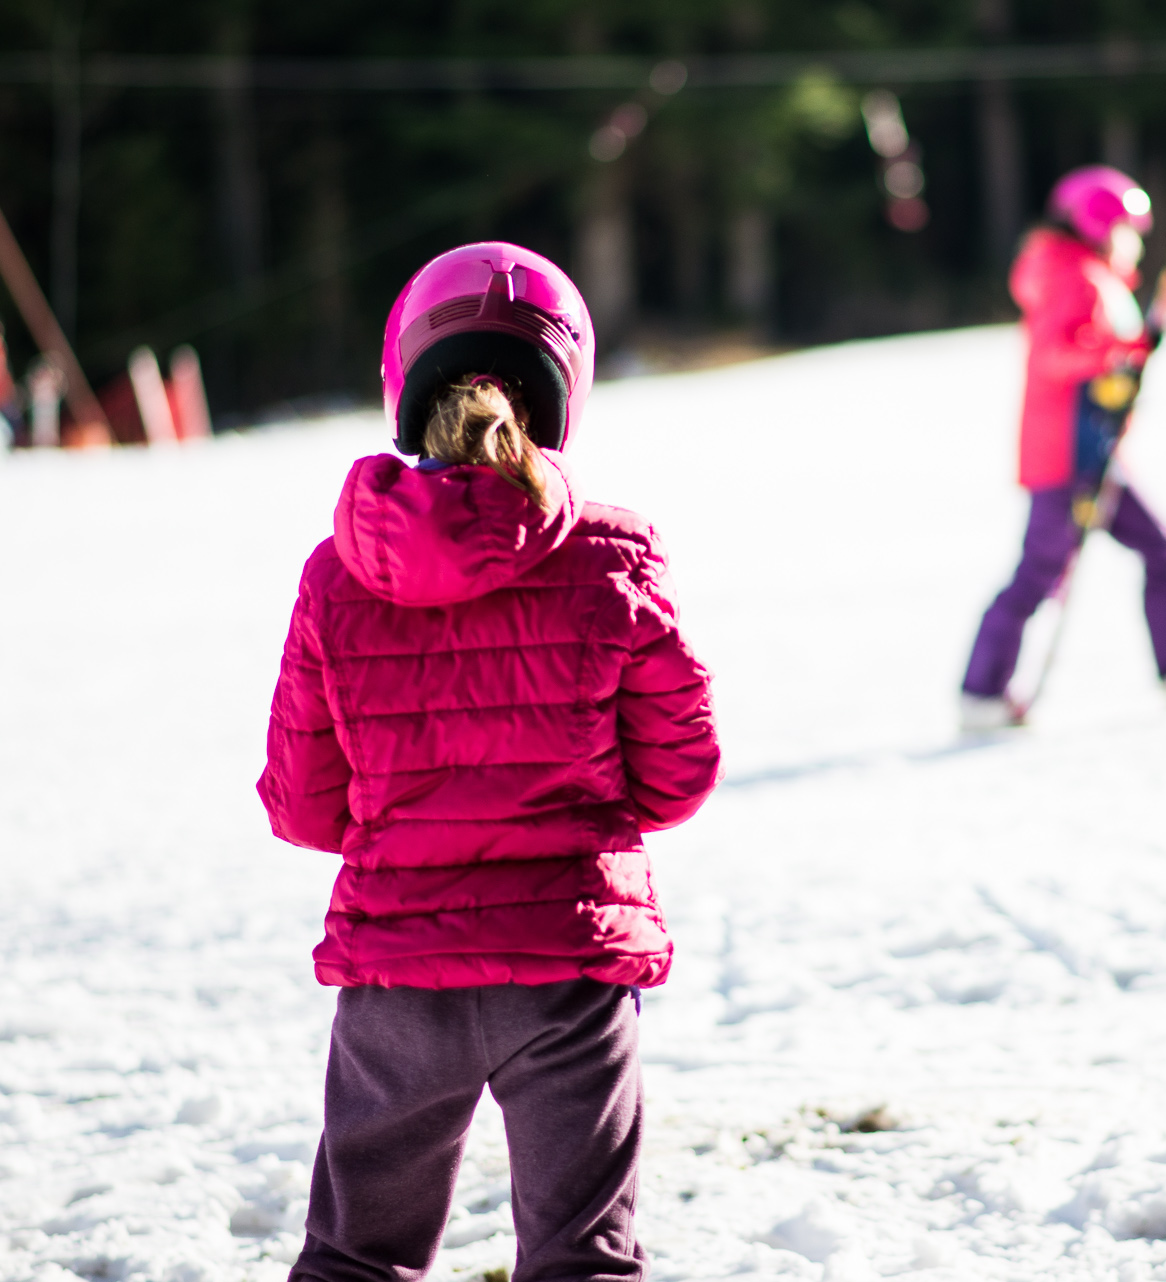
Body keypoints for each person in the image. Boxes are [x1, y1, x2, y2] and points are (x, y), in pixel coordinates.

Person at [258, 242, 720, 1282]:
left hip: (398, 977)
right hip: (567, 965)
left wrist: (410, 830)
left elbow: (302, 804)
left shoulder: (337, 576)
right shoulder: (615, 556)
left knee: (355, 1257)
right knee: (582, 1259)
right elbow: (680, 772)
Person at [959, 165, 1166, 731]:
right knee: (1042, 572)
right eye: (1126, 230)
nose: (1133, 243)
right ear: (1097, 226)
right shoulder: (1074, 275)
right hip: (1069, 457)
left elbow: (1096, 349)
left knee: (1160, 551)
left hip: (1092, 451)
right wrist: (1119, 354)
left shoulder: (1083, 273)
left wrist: (1134, 346)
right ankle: (981, 695)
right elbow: (1056, 354)